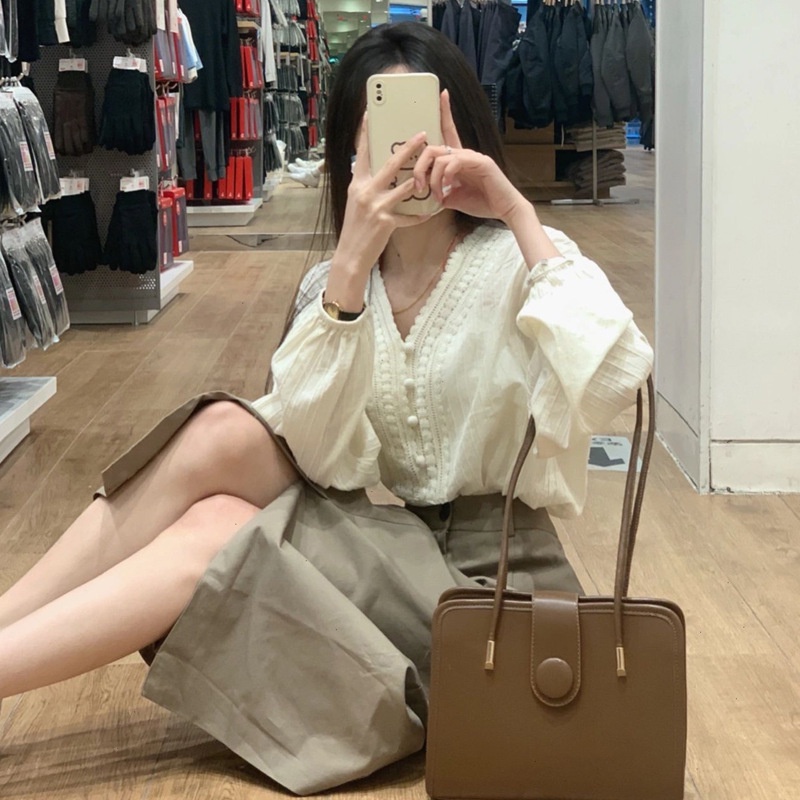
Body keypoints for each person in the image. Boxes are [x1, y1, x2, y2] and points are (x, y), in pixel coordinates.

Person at [0, 22, 653, 797]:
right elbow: (311, 454)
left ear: (464, 135)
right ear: (349, 154)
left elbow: (615, 380)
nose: (410, 160)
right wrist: (348, 269)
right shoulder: (334, 287)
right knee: (222, 451)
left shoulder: (523, 263)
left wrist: (513, 209)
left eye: (425, 134)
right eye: (383, 141)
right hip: (398, 548)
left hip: (497, 593)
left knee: (217, 524)